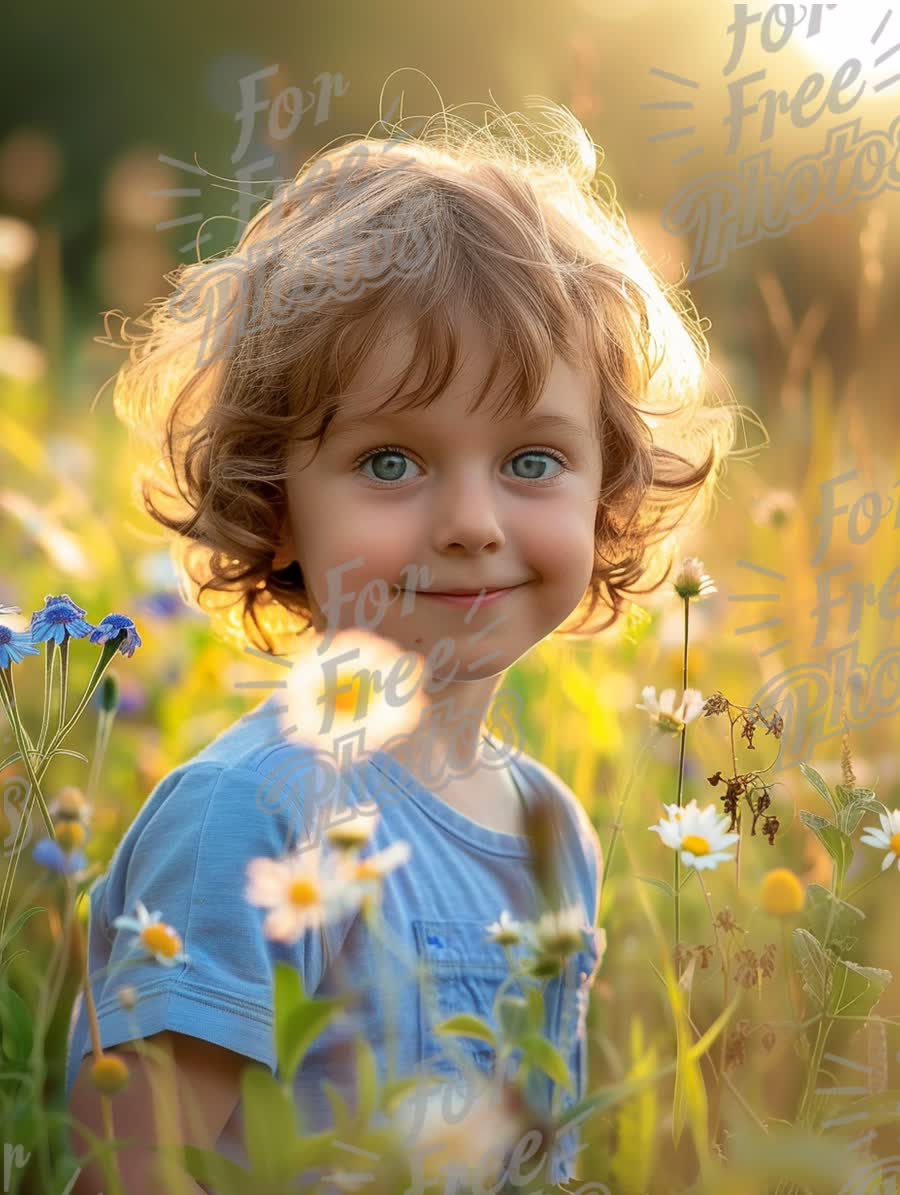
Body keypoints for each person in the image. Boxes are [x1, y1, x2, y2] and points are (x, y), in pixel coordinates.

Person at [66, 96, 739, 1194]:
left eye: (532, 460)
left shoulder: (549, 832)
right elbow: (133, 1170)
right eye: (391, 462)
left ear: (608, 495)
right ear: (274, 502)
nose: (472, 520)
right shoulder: (250, 813)